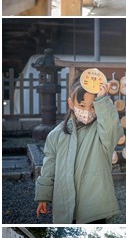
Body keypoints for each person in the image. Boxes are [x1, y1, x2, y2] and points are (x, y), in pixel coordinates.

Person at [34, 79, 121, 223]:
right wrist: (43, 195)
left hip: (95, 208)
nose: (87, 111)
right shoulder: (56, 135)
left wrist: (102, 101)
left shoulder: (102, 132)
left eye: (93, 106)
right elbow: (49, 167)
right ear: (71, 104)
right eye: (82, 105)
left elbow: (112, 128)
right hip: (64, 204)